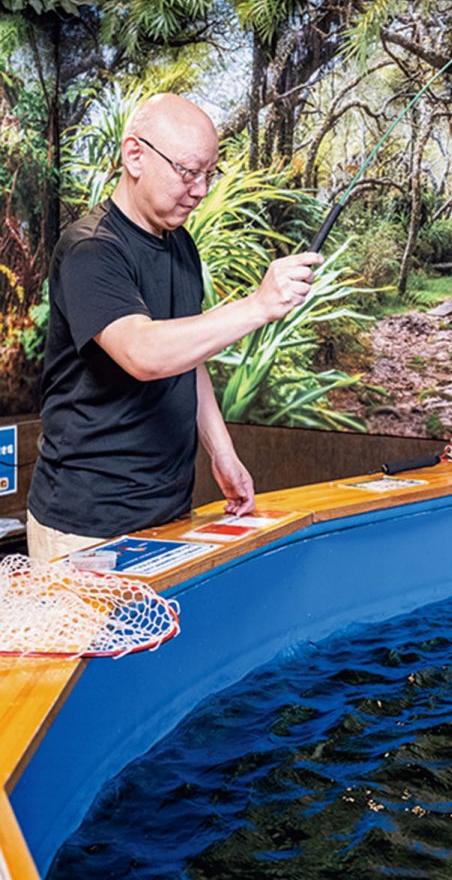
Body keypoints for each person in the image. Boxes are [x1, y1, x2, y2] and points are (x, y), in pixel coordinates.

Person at [26, 92, 322, 560]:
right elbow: (145, 354)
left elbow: (186, 357)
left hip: (168, 512)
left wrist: (222, 453)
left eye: (209, 173)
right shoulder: (91, 249)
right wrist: (258, 305)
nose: (201, 189)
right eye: (188, 172)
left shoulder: (180, 244)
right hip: (87, 525)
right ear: (135, 155)